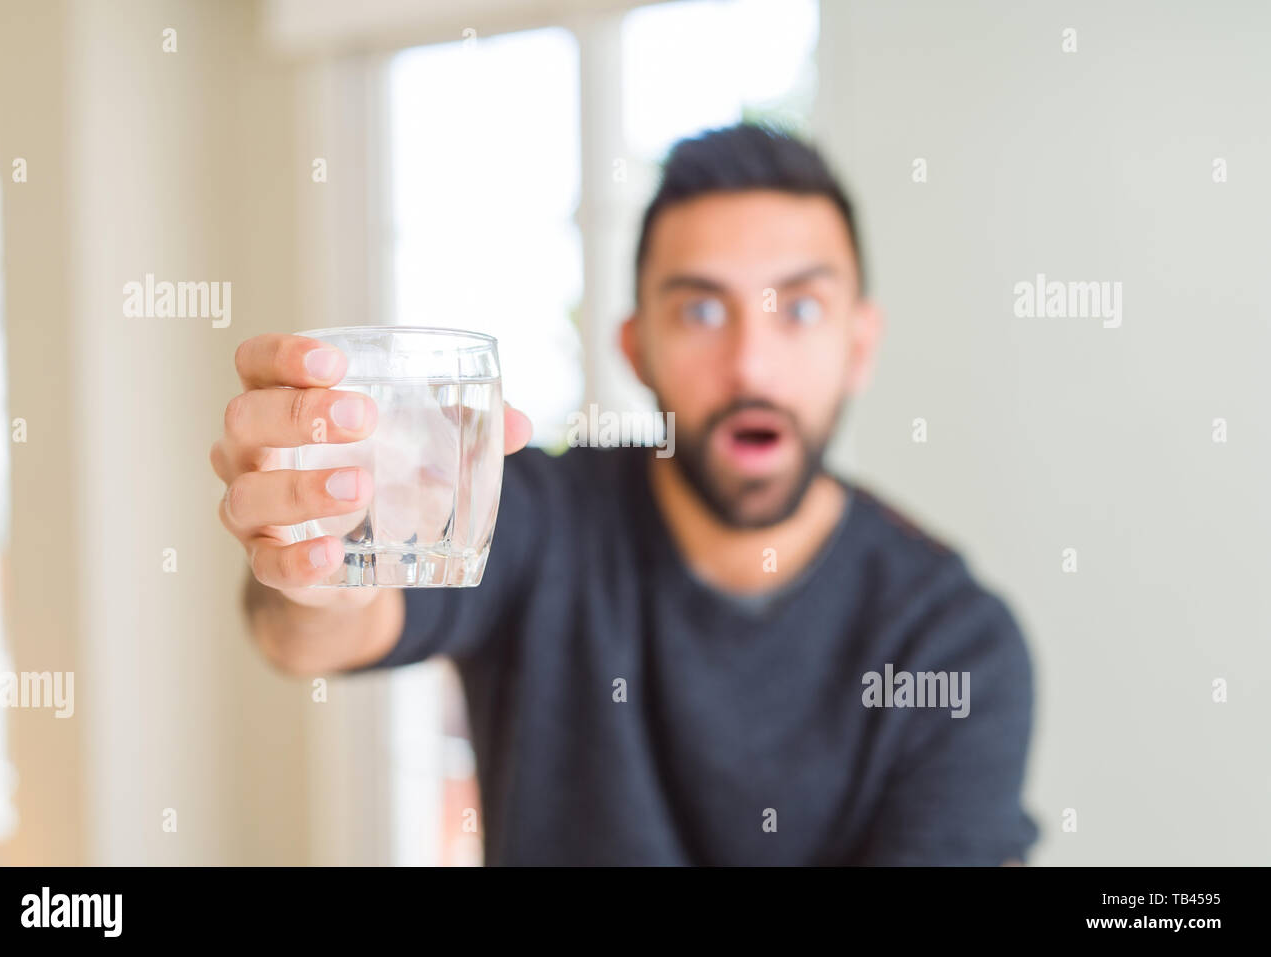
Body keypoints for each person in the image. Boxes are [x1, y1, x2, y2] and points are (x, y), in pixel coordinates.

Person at [211, 123, 1039, 866]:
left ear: (859, 345)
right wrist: (315, 566)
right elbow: (312, 633)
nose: (751, 364)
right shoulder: (542, 517)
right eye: (703, 311)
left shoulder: (954, 642)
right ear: (635, 348)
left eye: (801, 307)